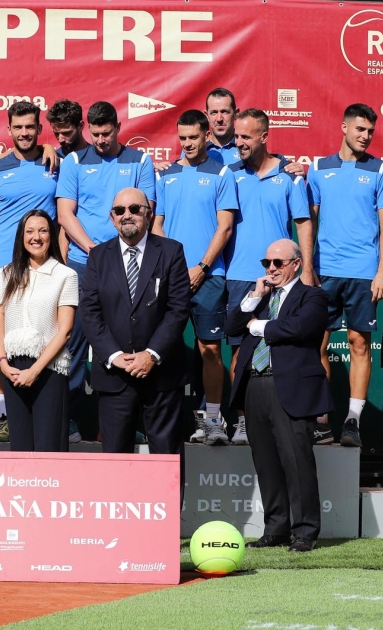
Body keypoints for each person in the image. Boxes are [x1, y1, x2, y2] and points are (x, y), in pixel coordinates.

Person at [56, 101, 157, 443]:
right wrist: (94, 250)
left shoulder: (140, 161)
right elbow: (65, 214)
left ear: (118, 128)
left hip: (130, 265)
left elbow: (146, 212)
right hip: (83, 265)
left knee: (127, 342)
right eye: (95, 134)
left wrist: (117, 252)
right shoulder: (74, 161)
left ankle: (124, 424)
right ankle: (68, 421)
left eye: (107, 133)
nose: (100, 140)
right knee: (72, 344)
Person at [226, 239, 332, 553]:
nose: (270, 269)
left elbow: (299, 328)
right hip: (254, 384)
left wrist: (258, 326)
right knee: (266, 461)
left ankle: (305, 531)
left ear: (296, 264)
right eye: (266, 263)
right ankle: (276, 529)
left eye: (277, 263)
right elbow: (231, 326)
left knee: (297, 461)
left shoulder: (312, 296)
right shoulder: (260, 298)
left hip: (290, 387)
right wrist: (254, 297)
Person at [309, 104, 383, 447]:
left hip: (363, 273)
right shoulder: (318, 168)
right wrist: (307, 267)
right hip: (324, 271)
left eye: (370, 131)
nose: (366, 136)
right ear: (344, 127)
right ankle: (320, 420)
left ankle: (352, 421)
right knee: (317, 344)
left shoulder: (381, 170)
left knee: (360, 344)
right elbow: (308, 221)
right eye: (360, 129)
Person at [225, 109, 314, 445]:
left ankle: (285, 416)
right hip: (239, 276)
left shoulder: (290, 176)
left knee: (284, 349)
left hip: (281, 277)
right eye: (237, 136)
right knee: (240, 354)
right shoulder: (229, 173)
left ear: (264, 137)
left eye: (246, 137)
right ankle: (244, 421)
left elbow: (303, 223)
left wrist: (306, 270)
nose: (238, 142)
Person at [79, 187, 191, 455]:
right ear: (112, 218)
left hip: (162, 375)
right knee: (117, 464)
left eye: (134, 209)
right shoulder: (98, 256)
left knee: (167, 462)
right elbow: (90, 312)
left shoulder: (171, 251)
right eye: (119, 210)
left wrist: (151, 354)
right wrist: (115, 356)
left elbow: (178, 309)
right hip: (115, 376)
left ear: (149, 214)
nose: (126, 215)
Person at [153, 109, 238, 445]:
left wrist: (201, 267)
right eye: (182, 138)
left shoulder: (222, 174)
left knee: (210, 349)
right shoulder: (166, 175)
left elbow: (225, 227)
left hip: (210, 276)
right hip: (171, 277)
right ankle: (164, 421)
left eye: (193, 137)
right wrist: (175, 268)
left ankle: (213, 420)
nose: (187, 143)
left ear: (206, 136)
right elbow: (157, 225)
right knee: (162, 348)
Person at [0, 101, 59, 443]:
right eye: (18, 127)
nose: (24, 132)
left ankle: (48, 412)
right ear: (8, 129)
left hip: (45, 267)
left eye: (30, 126)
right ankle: (4, 416)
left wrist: (52, 149)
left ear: (39, 129)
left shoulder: (56, 162)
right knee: (3, 341)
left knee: (46, 337)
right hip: (2, 269)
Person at [0, 210, 77, 451]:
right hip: (12, 370)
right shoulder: (5, 273)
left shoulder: (66, 275)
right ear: (21, 236)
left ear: (52, 236)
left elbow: (65, 330)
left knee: (49, 447)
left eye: (43, 231)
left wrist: (35, 370)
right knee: (20, 447)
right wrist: (3, 364)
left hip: (49, 369)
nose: (36, 237)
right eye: (29, 231)